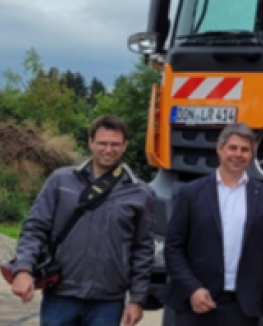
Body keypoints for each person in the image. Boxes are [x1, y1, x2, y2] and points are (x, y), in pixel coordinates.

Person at [7, 115, 156, 326]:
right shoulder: (61, 180)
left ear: (125, 146)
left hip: (108, 301)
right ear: (90, 142)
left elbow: (143, 249)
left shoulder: (141, 193)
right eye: (102, 143)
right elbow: (35, 228)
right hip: (61, 294)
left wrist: (137, 299)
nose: (108, 150)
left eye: (115, 144)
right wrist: (23, 269)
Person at [163, 123, 263, 325]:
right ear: (220, 150)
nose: (238, 154)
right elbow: (173, 247)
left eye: (245, 150)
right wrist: (192, 288)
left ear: (252, 154)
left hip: (242, 305)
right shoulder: (190, 193)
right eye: (233, 148)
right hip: (197, 302)